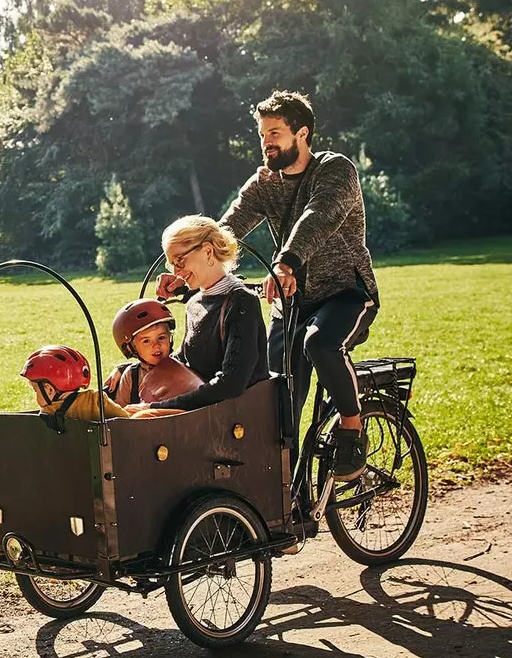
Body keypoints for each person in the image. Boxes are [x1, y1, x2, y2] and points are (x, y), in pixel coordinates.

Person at [158, 90, 377, 480]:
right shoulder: (264, 183)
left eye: (275, 133)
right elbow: (227, 229)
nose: (266, 143)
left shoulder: (335, 170)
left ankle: (351, 428)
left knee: (319, 342)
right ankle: (284, 495)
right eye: (262, 135)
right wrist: (185, 265)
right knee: (275, 397)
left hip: (346, 292)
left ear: (302, 134)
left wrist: (286, 262)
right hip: (292, 302)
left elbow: (318, 217)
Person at [137, 217, 270, 417]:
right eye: (171, 264)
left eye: (180, 261)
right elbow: (182, 363)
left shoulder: (242, 303)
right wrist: (127, 372)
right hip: (206, 412)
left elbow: (231, 384)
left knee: (139, 419)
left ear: (208, 251)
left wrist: (158, 408)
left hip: (237, 419)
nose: (176, 272)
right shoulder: (194, 304)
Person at [103, 298, 205, 409]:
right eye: (146, 341)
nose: (156, 345)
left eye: (161, 337)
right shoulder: (131, 376)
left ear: (170, 338)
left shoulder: (180, 369)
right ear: (131, 348)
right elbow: (120, 412)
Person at [20, 344, 130, 421]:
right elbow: (125, 421)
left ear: (49, 390)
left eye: (35, 390)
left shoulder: (47, 415)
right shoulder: (95, 400)